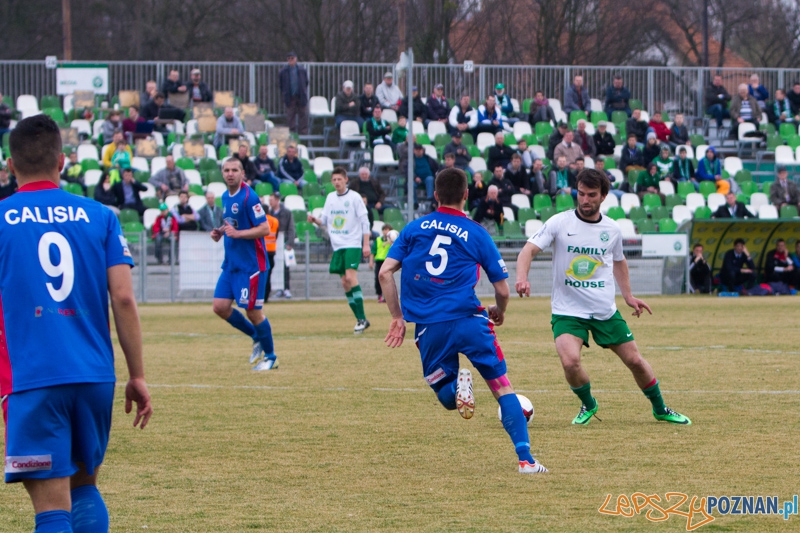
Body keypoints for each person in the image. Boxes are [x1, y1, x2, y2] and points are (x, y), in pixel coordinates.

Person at [0, 114, 152, 533]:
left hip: (32, 379)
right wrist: (137, 375)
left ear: (10, 165)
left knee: (51, 509)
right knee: (84, 488)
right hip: (94, 376)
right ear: (62, 161)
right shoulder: (100, 216)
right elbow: (123, 297)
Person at [379, 167, 548, 474]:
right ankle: (526, 460)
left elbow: (384, 273)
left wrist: (396, 317)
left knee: (447, 399)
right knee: (503, 388)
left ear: (435, 195)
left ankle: (458, 383)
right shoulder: (476, 232)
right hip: (471, 321)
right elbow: (502, 290)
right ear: (467, 195)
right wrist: (499, 310)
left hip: (430, 327)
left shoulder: (414, 229)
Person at [515, 168, 691, 426]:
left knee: (635, 360)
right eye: (581, 194)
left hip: (604, 310)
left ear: (603, 196)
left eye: (591, 195)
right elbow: (528, 250)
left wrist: (628, 296)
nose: (585, 200)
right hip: (567, 311)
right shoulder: (559, 223)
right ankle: (588, 404)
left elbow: (619, 261)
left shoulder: (612, 229)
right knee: (570, 362)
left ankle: (660, 408)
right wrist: (522, 277)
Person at [211, 157, 277, 371]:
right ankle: (255, 336)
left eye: (234, 170)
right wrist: (221, 231)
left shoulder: (250, 197)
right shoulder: (225, 196)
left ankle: (271, 357)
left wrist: (238, 234)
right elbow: (233, 222)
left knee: (253, 312)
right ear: (222, 173)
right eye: (226, 170)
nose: (230, 174)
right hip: (231, 264)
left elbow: (265, 228)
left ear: (242, 173)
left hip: (251, 265)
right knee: (220, 307)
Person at [308, 167, 371, 333]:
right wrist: (315, 220)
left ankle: (362, 318)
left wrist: (366, 244)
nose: (337, 182)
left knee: (350, 277)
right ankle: (360, 319)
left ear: (346, 180)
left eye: (339, 179)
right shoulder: (330, 198)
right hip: (338, 245)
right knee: (344, 282)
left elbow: (365, 221)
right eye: (334, 180)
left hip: (352, 243)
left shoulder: (354, 197)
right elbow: (324, 220)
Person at [267, 193, 296, 299]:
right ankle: (279, 288)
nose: (270, 202)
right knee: (276, 266)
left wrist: (290, 242)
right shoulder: (269, 213)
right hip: (273, 244)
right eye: (269, 200)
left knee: (285, 266)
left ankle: (286, 288)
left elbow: (291, 228)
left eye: (272, 200)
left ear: (277, 200)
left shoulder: (287, 212)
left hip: (283, 242)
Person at [279, 52, 309, 135]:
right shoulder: (283, 71)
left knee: (303, 114)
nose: (290, 60)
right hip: (290, 96)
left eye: (292, 58)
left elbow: (306, 82)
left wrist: (302, 90)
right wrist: (285, 93)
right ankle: (292, 132)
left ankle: (303, 132)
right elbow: (281, 84)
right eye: (289, 58)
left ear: (296, 59)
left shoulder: (302, 70)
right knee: (290, 114)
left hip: (300, 95)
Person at [369, 223, 394, 303]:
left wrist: (390, 242)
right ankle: (379, 295)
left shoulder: (392, 241)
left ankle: (387, 296)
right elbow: (373, 251)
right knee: (378, 279)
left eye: (388, 230)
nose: (386, 232)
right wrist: (371, 261)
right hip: (379, 261)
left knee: (387, 279)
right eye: (384, 230)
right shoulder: (378, 240)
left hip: (387, 261)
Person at [262, 211, 281, 302]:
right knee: (268, 275)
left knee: (261, 275)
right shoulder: (275, 221)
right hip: (271, 251)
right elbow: (276, 235)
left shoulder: (260, 221)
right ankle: (266, 296)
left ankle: (260, 296)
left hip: (261, 251)